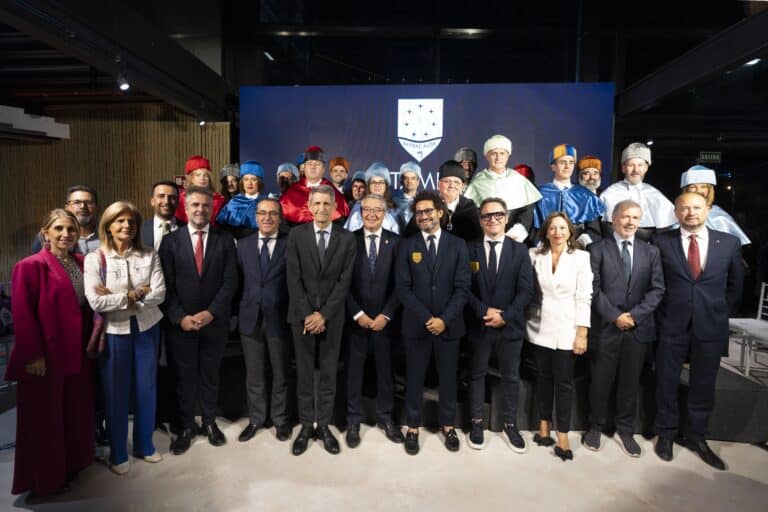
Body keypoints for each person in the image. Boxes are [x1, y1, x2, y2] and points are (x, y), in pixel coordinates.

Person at [6, 209, 95, 499]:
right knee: (44, 421)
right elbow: (22, 315)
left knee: (70, 413)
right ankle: (44, 480)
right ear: (45, 233)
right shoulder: (29, 266)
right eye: (58, 228)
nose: (66, 234)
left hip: (75, 353)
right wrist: (33, 356)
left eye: (70, 229)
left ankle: (69, 466)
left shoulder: (80, 262)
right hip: (44, 357)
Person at [653, 192, 743, 470]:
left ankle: (697, 437)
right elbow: (655, 283)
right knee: (666, 382)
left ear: (708, 209)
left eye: (696, 207)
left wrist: (717, 312)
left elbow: (736, 286)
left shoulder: (728, 243)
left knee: (704, 385)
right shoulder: (661, 242)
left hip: (710, 326)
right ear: (676, 212)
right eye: (684, 208)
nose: (690, 213)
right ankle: (666, 435)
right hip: (671, 324)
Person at [84, 201, 166, 474]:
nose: (126, 226)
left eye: (131, 222)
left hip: (147, 328)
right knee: (116, 392)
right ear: (108, 225)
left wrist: (122, 299)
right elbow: (96, 300)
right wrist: (133, 296)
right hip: (115, 332)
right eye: (120, 221)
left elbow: (159, 293)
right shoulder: (95, 258)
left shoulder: (149, 254)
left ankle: (145, 445)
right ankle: (118, 453)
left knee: (147, 389)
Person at [159, 186, 238, 455]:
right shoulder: (170, 242)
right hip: (181, 325)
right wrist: (180, 317)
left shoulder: (225, 240)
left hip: (214, 322)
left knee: (210, 375)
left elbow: (231, 281)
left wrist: (211, 312)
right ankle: (185, 427)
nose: (200, 210)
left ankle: (209, 422)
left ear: (212, 208)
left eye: (205, 205)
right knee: (184, 377)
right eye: (195, 205)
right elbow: (165, 286)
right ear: (186, 207)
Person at [583, 200, 665, 457]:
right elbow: (592, 288)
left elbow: (657, 289)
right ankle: (595, 426)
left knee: (630, 383)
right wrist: (615, 315)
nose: (630, 222)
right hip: (606, 327)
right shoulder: (597, 249)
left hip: (637, 329)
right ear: (613, 220)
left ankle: (626, 429)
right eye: (625, 217)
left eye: (635, 218)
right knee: (600, 381)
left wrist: (635, 316)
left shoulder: (651, 252)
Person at [395, 191, 470, 455]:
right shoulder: (407, 245)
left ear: (440, 212)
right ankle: (412, 427)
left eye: (429, 211)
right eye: (419, 213)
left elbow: (463, 288)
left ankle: (448, 425)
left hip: (449, 326)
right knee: (414, 378)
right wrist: (429, 319)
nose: (424, 216)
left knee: (448, 379)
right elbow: (403, 289)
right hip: (417, 326)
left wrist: (443, 320)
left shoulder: (458, 245)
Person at [286, 185, 356, 455]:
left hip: (332, 318)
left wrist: (323, 314)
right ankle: (306, 426)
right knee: (304, 374)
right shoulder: (296, 236)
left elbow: (344, 282)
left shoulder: (347, 239)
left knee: (328, 374)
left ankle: (324, 425)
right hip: (301, 317)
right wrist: (308, 314)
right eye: (318, 204)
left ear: (335, 207)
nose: (323, 208)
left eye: (328, 204)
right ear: (310, 206)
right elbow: (293, 278)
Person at [466, 198, 533, 451]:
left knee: (511, 377)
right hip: (479, 325)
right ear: (480, 220)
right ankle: (476, 423)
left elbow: (526, 291)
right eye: (486, 216)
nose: (492, 220)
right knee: (476, 375)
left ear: (506, 218)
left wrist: (505, 315)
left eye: (497, 215)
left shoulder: (520, 251)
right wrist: (484, 310)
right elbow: (463, 288)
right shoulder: (468, 249)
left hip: (510, 327)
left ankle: (510, 424)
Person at [527, 212, 592, 461]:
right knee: (543, 378)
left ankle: (562, 433)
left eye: (562, 228)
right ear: (545, 232)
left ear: (570, 232)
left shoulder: (582, 258)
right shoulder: (534, 255)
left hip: (568, 329)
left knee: (564, 383)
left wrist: (582, 333)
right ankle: (544, 424)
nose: (557, 232)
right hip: (538, 326)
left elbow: (584, 296)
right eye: (552, 228)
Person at [345, 194, 404, 448]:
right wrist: (357, 314)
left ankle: (386, 418)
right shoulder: (348, 240)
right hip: (355, 321)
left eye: (376, 210)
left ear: (385, 213)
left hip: (385, 322)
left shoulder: (397, 243)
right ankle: (353, 420)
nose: (371, 214)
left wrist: (386, 314)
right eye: (366, 209)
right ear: (360, 211)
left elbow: (402, 284)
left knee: (385, 374)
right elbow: (341, 283)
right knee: (353, 373)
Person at [236, 198, 293, 443]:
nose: (267, 218)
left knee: (281, 373)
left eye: (272, 213)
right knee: (254, 373)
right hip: (250, 318)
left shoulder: (290, 243)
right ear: (255, 216)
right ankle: (257, 419)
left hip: (279, 318)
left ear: (280, 217)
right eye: (262, 213)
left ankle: (281, 420)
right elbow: (237, 282)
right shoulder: (243, 244)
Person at [464, 135, 542, 242]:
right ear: (487, 156)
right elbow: (473, 213)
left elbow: (526, 211)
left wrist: (517, 232)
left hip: (515, 240)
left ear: (508, 155)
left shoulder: (518, 180)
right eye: (494, 153)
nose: (498, 158)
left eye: (502, 153)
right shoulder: (477, 183)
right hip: (485, 239)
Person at [600, 143, 676, 241]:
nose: (635, 170)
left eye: (640, 165)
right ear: (623, 168)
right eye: (631, 165)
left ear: (646, 168)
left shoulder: (655, 194)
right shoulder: (610, 193)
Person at [533, 144, 605, 248]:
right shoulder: (540, 194)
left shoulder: (586, 195)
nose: (567, 166)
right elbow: (533, 229)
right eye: (562, 162)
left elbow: (594, 232)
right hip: (546, 249)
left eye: (571, 162)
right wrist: (541, 245)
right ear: (553, 166)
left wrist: (584, 242)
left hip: (578, 250)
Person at [405, 160, 481, 241]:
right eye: (447, 181)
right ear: (438, 184)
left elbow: (477, 240)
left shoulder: (470, 208)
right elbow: (409, 238)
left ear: (462, 186)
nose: (452, 185)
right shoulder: (426, 205)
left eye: (456, 182)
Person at [679, 165, 751, 246]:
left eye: (703, 186)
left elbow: (732, 249)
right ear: (686, 190)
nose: (698, 191)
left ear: (709, 190)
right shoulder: (677, 215)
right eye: (693, 187)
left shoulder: (720, 217)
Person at [280, 145, 350, 225]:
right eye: (310, 164)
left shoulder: (334, 193)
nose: (313, 167)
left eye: (317, 164)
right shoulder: (291, 192)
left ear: (323, 169)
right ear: (304, 168)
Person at [31, 185, 100, 255]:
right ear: (66, 207)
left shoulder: (108, 236)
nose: (83, 206)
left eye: (89, 203)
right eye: (76, 202)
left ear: (97, 207)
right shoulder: (47, 237)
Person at [344, 162, 400, 234]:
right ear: (368, 185)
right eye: (373, 182)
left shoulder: (394, 210)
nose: (377, 185)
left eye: (381, 182)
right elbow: (349, 236)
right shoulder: (358, 208)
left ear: (386, 185)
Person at [216, 160, 266, 239]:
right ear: (242, 182)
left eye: (253, 179)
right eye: (246, 179)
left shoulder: (268, 203)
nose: (249, 183)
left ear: (259, 182)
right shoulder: (233, 203)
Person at [175, 155, 226, 226]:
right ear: (191, 178)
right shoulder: (180, 199)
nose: (202, 178)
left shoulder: (219, 200)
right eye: (198, 175)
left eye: (206, 175)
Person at [142, 181, 182, 250]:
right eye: (161, 196)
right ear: (152, 201)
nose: (166, 201)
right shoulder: (138, 230)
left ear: (178, 202)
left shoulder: (188, 230)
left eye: (172, 197)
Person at [392, 161, 422, 232]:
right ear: (401, 181)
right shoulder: (393, 202)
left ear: (418, 181)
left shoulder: (424, 201)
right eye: (406, 178)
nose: (409, 181)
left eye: (413, 178)